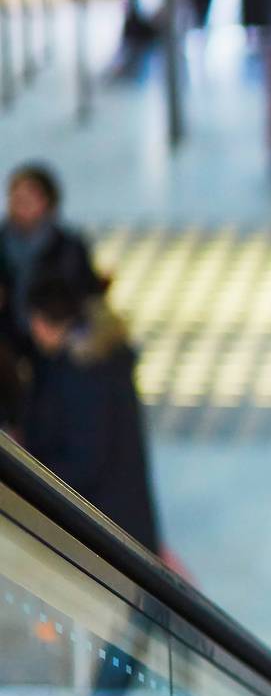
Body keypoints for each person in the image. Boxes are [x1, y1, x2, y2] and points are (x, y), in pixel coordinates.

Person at [22, 277, 161, 555]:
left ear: (40, 322)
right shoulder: (105, 358)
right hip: (128, 522)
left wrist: (29, 479)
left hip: (104, 531)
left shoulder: (79, 372)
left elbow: (84, 461)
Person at [0, 164, 99, 360]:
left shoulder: (68, 247)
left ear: (48, 201)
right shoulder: (3, 243)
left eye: (30, 198)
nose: (22, 205)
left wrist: (53, 320)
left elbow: (81, 292)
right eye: (17, 198)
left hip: (55, 343)